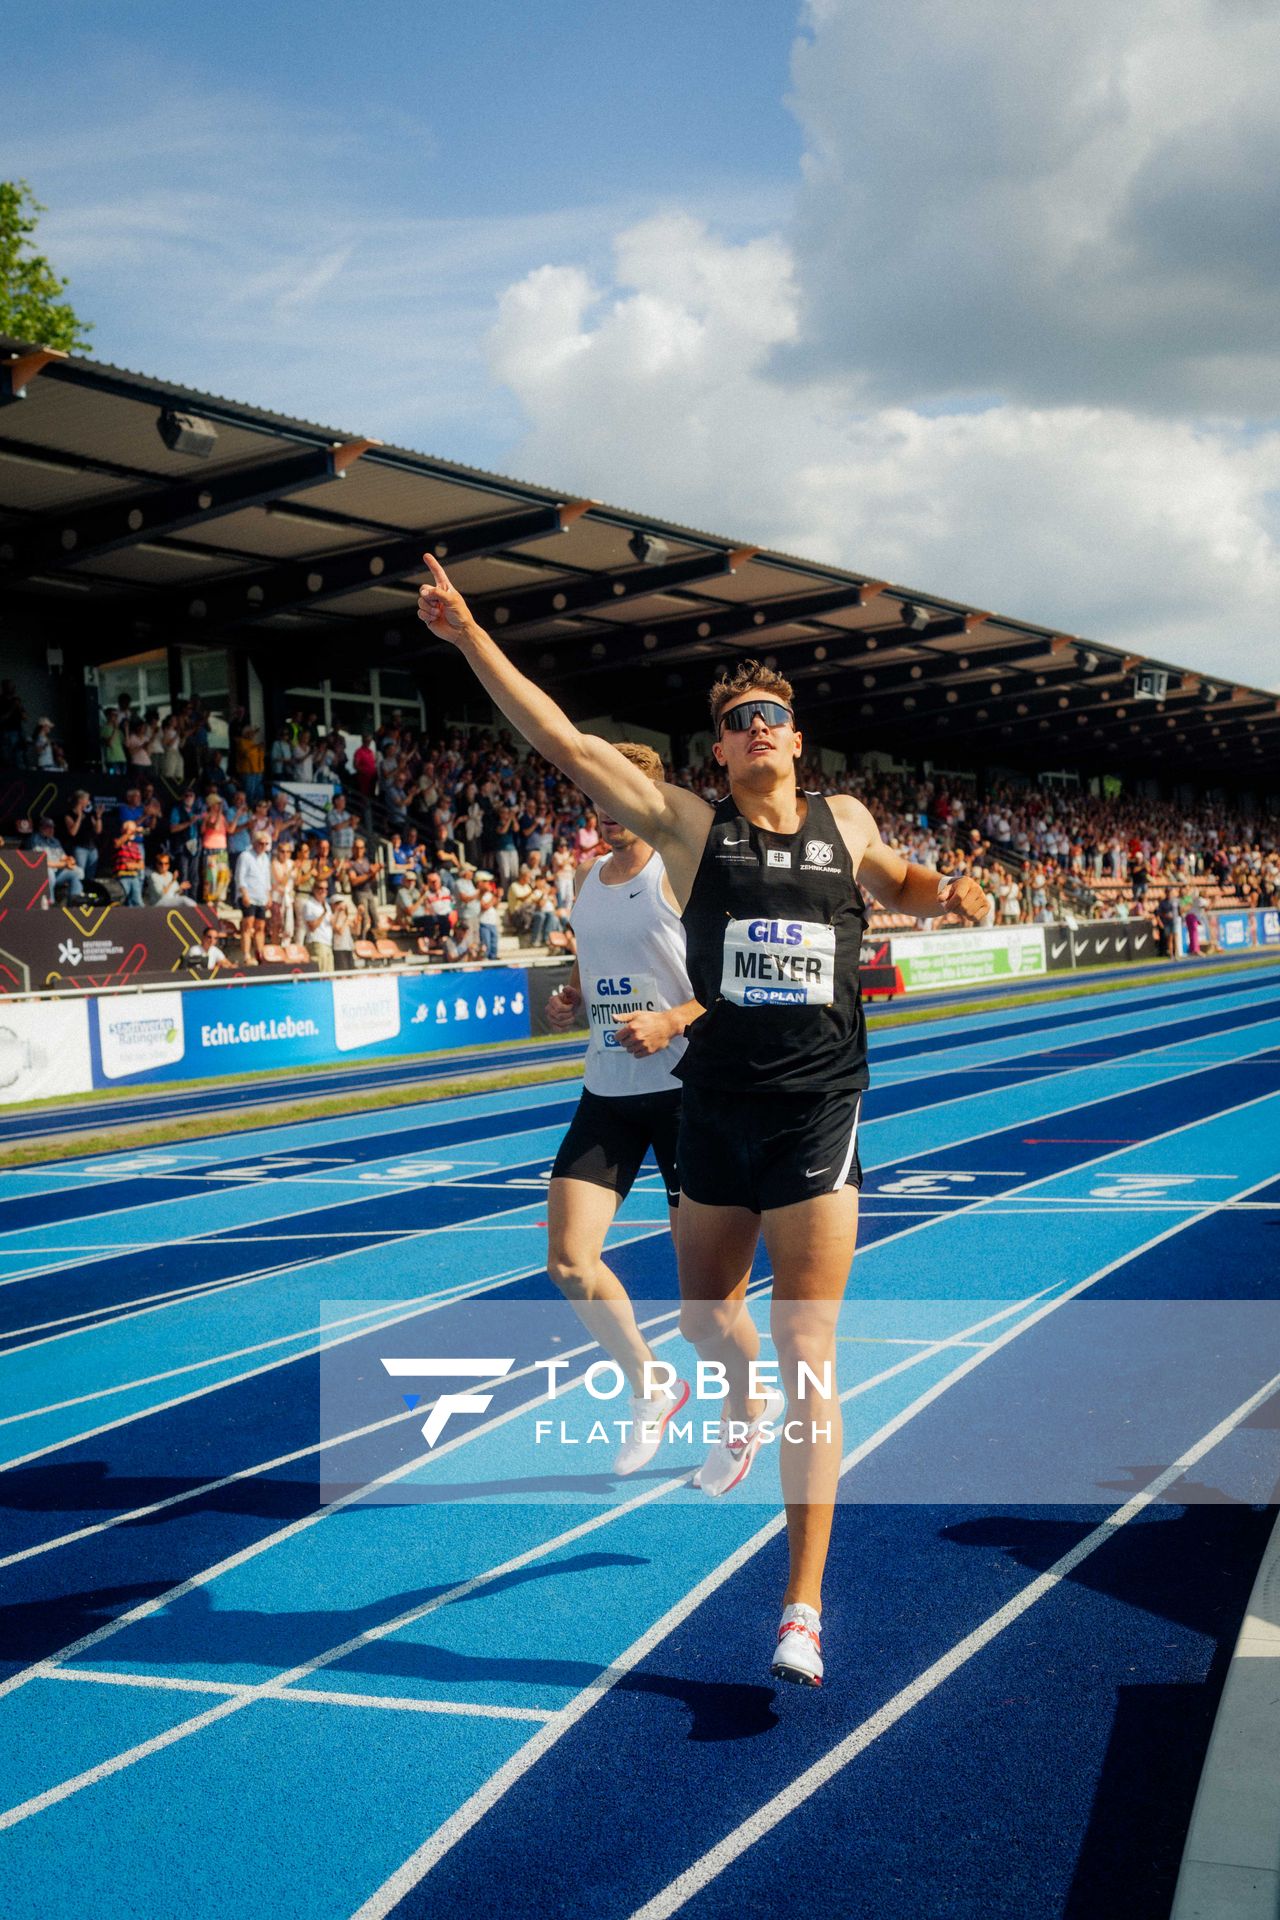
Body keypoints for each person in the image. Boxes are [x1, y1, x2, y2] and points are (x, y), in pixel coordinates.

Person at [417, 555, 986, 1689]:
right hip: (711, 1110)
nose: (757, 727)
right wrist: (471, 635)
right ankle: (735, 1404)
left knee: (806, 1352)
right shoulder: (686, 830)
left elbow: (893, 877)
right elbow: (567, 748)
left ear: (796, 735)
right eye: (736, 719)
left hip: (820, 1112)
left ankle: (801, 1604)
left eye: (771, 712)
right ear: (717, 749)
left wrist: (949, 891)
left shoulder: (844, 816)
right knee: (701, 1319)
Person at [544, 742, 706, 1475]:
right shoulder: (587, 878)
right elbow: (594, 956)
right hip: (608, 1089)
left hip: (683, 1091)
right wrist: (573, 994)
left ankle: (747, 1401)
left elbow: (733, 984)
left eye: (620, 797)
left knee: (703, 1286)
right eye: (596, 798)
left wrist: (672, 1021)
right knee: (570, 1263)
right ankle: (651, 1384)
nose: (605, 812)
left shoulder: (678, 873)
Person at [235, 829, 273, 967]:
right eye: (261, 843)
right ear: (255, 843)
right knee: (247, 925)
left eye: (266, 844)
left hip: (261, 896)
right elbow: (240, 877)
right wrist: (244, 894)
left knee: (260, 927)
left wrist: (268, 895)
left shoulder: (265, 858)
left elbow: (266, 879)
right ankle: (246, 955)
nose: (263, 846)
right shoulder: (245, 856)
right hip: (249, 895)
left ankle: (260, 954)